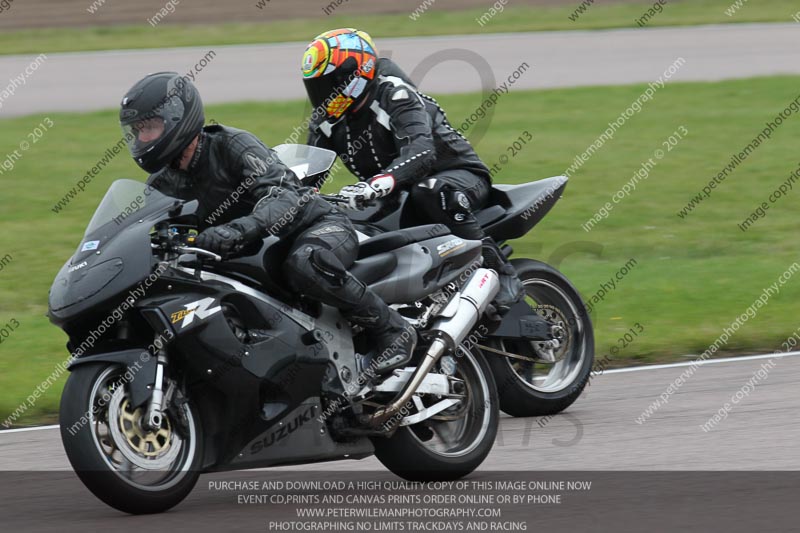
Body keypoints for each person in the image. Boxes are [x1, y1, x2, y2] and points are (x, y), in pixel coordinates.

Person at [119, 71, 416, 374]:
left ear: (177, 120)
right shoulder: (161, 181)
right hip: (252, 253)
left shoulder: (232, 145)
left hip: (314, 226)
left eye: (150, 128)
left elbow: (283, 196)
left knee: (306, 264)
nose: (143, 138)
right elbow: (152, 227)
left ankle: (393, 330)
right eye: (138, 130)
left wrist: (236, 230)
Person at [301, 28, 524, 310]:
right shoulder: (327, 119)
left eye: (330, 83)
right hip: (396, 194)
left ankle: (501, 273)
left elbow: (421, 152)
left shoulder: (395, 95)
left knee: (430, 191)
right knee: (351, 225)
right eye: (316, 85)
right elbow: (310, 170)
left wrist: (376, 184)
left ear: (356, 73)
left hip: (458, 177)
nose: (323, 94)